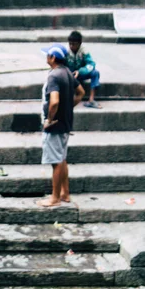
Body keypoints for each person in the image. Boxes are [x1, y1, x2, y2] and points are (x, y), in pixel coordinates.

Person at [36, 44, 85, 208]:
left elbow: (54, 101)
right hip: (65, 123)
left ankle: (55, 198)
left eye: (48, 55)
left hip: (55, 126)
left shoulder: (54, 77)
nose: (46, 58)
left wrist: (50, 119)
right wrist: (69, 106)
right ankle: (65, 193)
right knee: (62, 158)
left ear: (53, 58)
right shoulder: (67, 73)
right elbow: (81, 92)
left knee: (56, 161)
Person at [67, 30, 101, 109]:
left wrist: (80, 71)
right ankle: (69, 99)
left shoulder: (84, 51)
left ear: (79, 43)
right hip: (70, 75)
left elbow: (91, 64)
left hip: (81, 73)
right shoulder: (66, 52)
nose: (71, 46)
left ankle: (91, 100)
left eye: (74, 44)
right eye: (70, 44)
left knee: (95, 73)